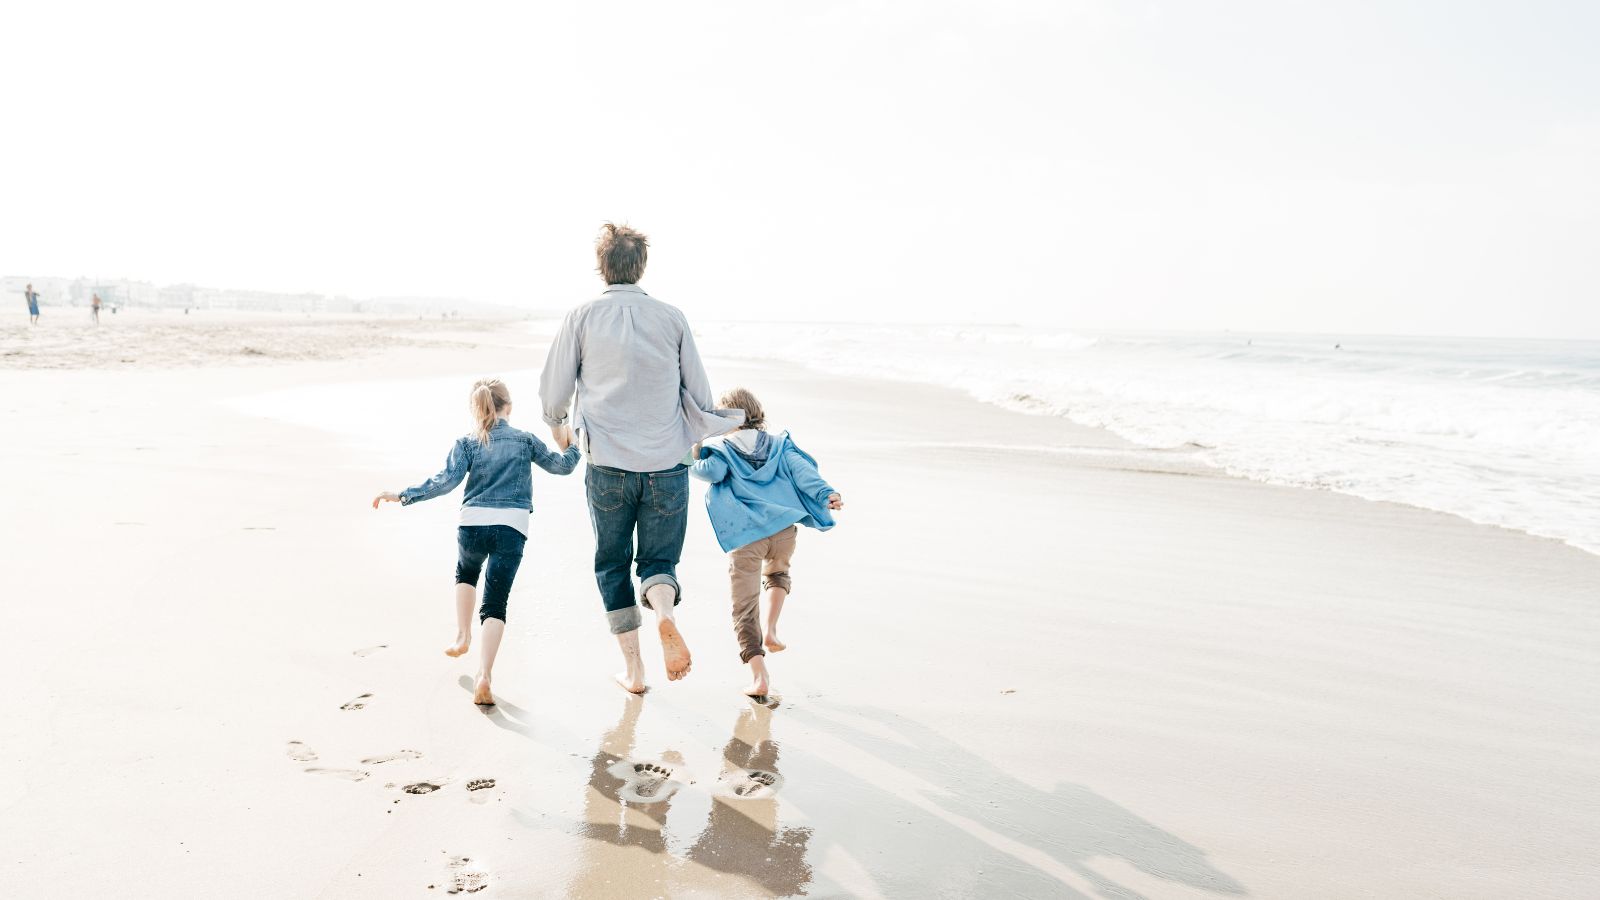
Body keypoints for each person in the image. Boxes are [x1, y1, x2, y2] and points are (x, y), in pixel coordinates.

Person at [539, 223, 743, 693]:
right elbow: (701, 392)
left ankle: (633, 670)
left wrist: (560, 431)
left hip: (607, 461)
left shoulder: (582, 316)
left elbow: (555, 391)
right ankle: (665, 615)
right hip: (667, 462)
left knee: (612, 563)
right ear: (642, 266)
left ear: (602, 266)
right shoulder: (671, 317)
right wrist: (695, 439)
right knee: (658, 562)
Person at [372, 378, 580, 706]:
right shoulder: (525, 440)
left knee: (466, 573)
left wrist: (403, 495)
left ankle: (462, 635)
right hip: (511, 527)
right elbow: (562, 467)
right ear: (508, 407)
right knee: (496, 602)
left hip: (471, 526)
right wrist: (574, 445)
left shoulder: (467, 442)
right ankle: (484, 675)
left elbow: (444, 483)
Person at [690, 388, 843, 698]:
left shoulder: (723, 449)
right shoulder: (779, 445)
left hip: (747, 537)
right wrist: (828, 494)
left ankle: (759, 677)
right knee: (777, 575)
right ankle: (772, 629)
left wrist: (693, 450)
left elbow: (712, 473)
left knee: (744, 607)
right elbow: (804, 474)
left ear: (727, 419)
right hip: (783, 531)